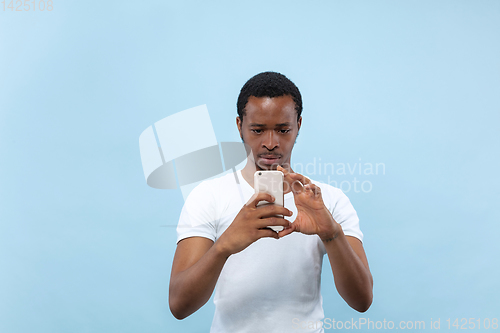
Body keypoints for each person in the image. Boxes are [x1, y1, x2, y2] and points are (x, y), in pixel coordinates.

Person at [169, 71, 373, 332]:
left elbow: (362, 300)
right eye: (257, 130)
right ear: (239, 125)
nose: (270, 143)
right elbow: (179, 305)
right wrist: (225, 246)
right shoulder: (208, 196)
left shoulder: (327, 200)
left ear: (299, 125)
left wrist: (331, 234)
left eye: (283, 130)